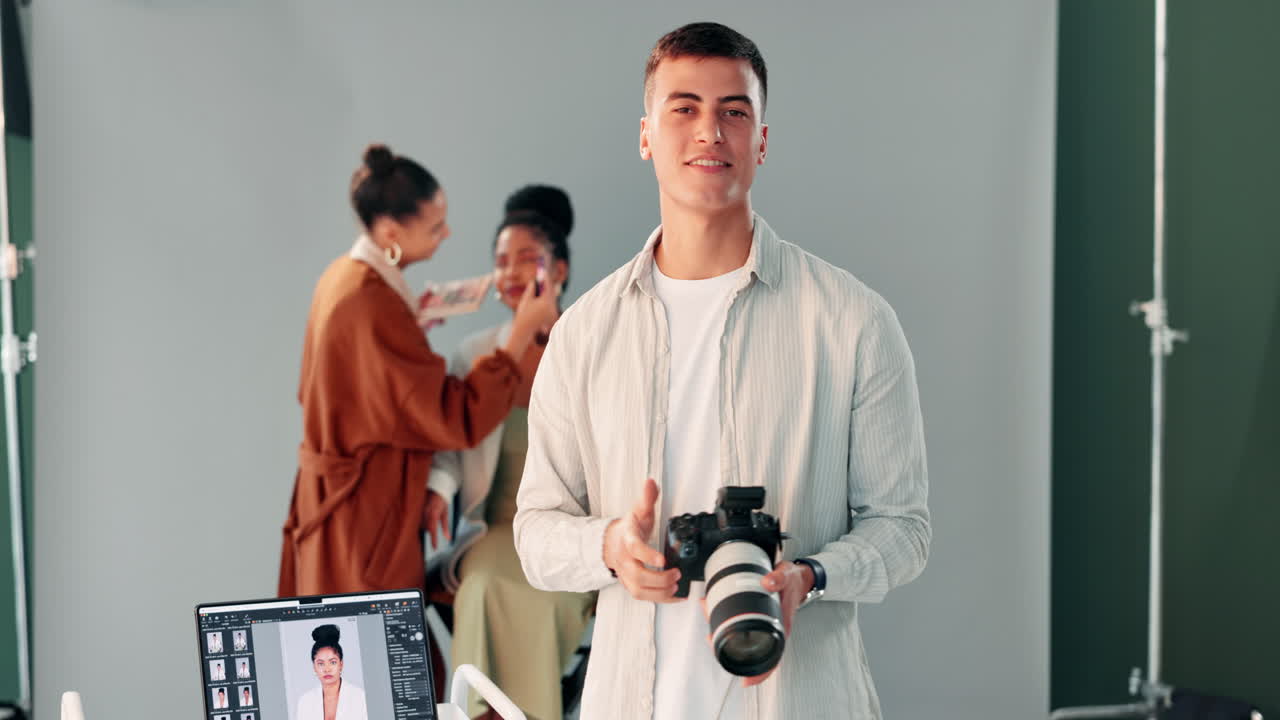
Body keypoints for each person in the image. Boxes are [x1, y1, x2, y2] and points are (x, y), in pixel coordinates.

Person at [513, 22, 930, 720]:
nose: (710, 131)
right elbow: (535, 533)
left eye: (734, 112)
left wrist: (812, 576)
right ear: (646, 134)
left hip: (803, 699)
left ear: (761, 141)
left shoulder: (854, 321)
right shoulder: (584, 334)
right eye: (684, 108)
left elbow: (904, 528)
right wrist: (612, 547)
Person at [278, 145, 560, 596]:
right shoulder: (371, 304)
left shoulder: (345, 278)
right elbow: (452, 416)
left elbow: (363, 380)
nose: (447, 234)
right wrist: (519, 335)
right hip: (363, 516)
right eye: (433, 227)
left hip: (346, 505)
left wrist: (409, 322)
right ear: (390, 232)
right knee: (381, 649)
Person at [429, 186, 594, 720]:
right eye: (501, 262)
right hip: (497, 529)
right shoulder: (475, 353)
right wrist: (439, 488)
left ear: (560, 268)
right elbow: (453, 440)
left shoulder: (593, 345)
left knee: (547, 596)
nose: (512, 273)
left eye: (528, 259)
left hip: (574, 531)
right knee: (480, 587)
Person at [295, 624, 368, 720]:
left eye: (333, 662)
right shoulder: (305, 702)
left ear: (341, 664)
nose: (327, 669)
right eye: (321, 664)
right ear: (314, 667)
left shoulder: (359, 697)